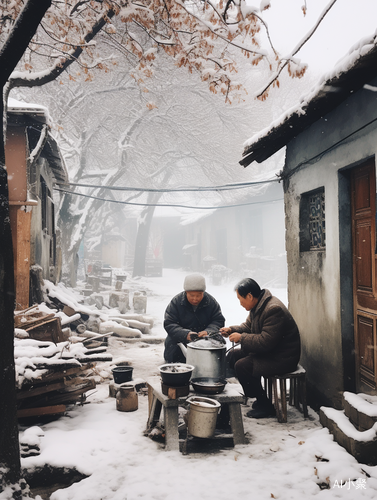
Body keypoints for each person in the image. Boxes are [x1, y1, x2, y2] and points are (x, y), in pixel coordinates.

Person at [220, 278, 300, 419]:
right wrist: (231, 330)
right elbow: (247, 327)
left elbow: (265, 341)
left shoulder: (273, 309)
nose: (240, 303)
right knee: (232, 356)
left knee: (243, 366)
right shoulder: (258, 306)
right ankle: (255, 394)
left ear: (250, 296)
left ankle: (265, 405)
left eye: (241, 299)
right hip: (271, 353)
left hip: (283, 357)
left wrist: (242, 338)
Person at [163, 273, 225, 363]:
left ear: (203, 293)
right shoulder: (176, 302)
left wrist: (208, 331)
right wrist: (185, 334)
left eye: (199, 295)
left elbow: (218, 320)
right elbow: (169, 323)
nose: (195, 299)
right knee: (175, 355)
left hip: (204, 339)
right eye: (191, 295)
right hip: (181, 338)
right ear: (186, 292)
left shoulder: (211, 302)